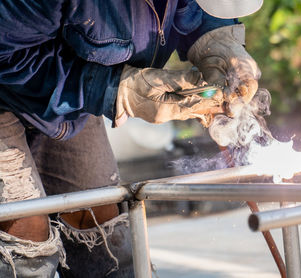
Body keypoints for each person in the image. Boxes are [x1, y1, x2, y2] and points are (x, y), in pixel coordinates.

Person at [0, 0, 263, 276]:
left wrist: (219, 44)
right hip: (13, 74)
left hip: (62, 92)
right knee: (23, 239)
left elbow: (199, 12)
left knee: (103, 235)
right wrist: (118, 90)